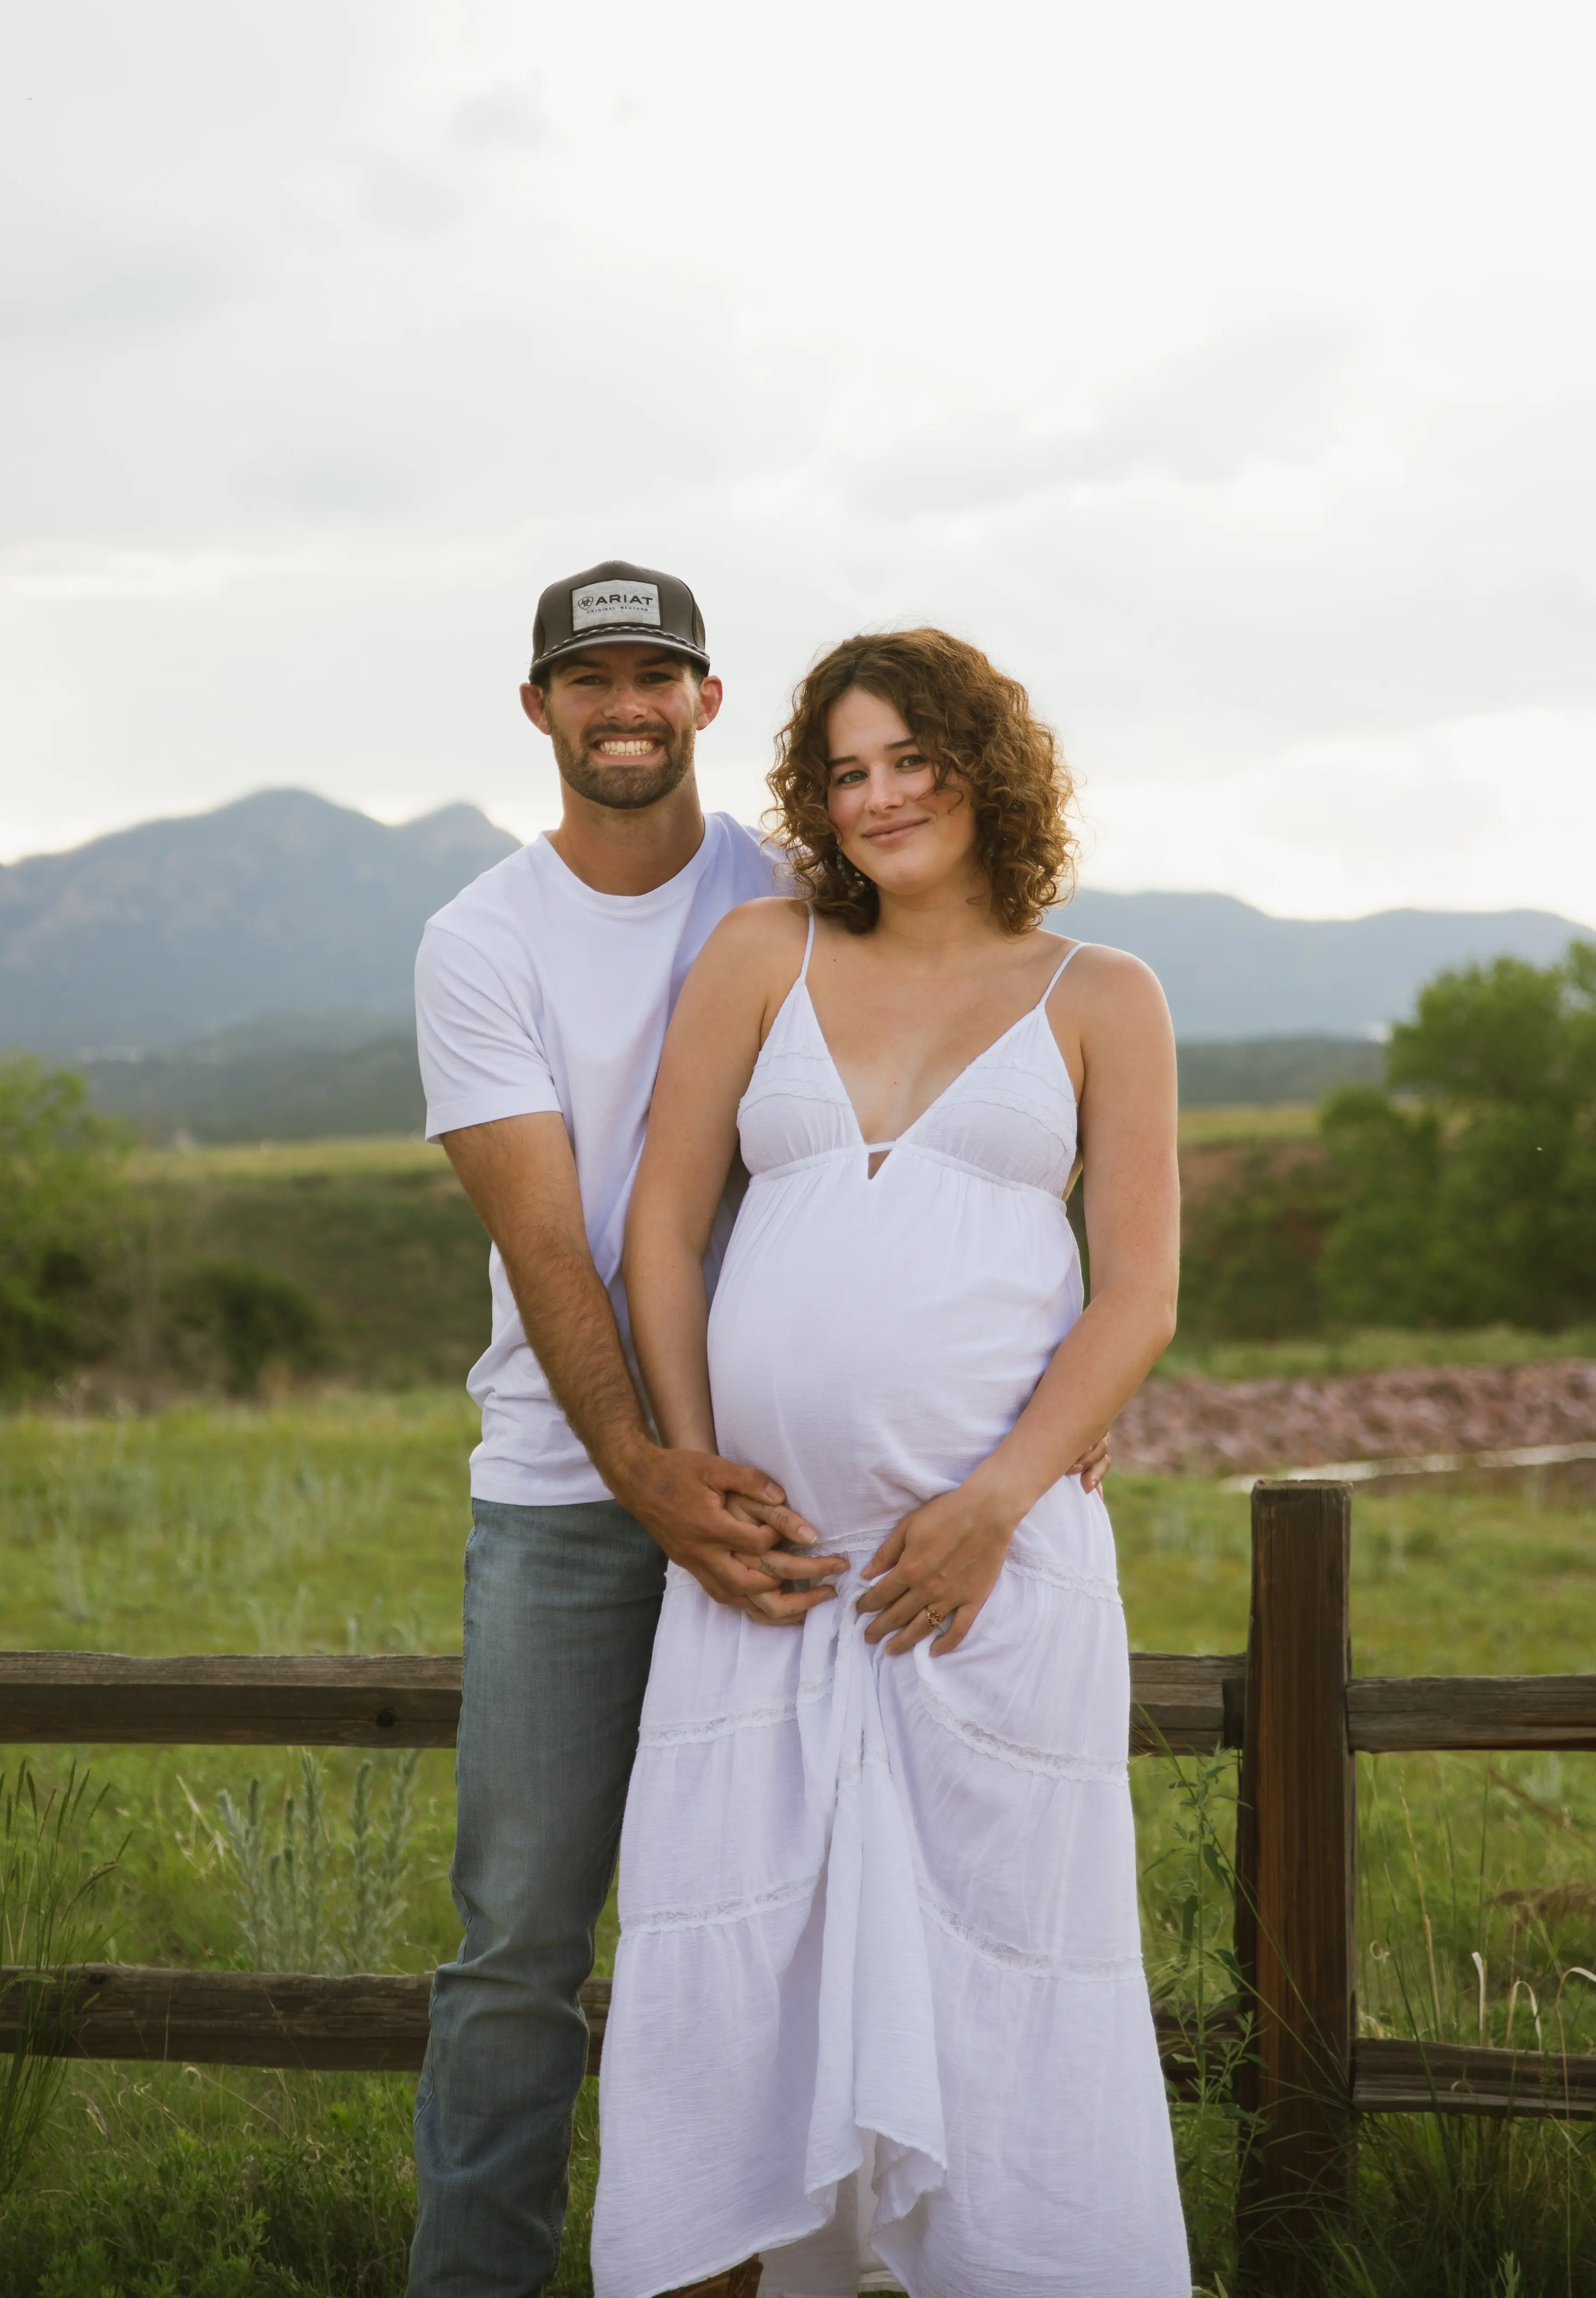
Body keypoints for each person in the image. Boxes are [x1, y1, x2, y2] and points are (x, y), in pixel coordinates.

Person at [592, 628, 1192, 2298]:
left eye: (913, 759)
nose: (880, 798)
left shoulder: (1103, 996)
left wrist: (996, 1505)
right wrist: (693, 1478)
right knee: (727, 1985)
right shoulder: (762, 954)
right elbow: (661, 1228)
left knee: (1002, 1982)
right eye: (847, 772)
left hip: (984, 1586)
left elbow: (1138, 1297)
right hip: (767, 1576)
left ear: (987, 768)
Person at [406, 559, 850, 2298]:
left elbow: (940, 1097)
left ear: (705, 700)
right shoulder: (483, 941)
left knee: (784, 1919)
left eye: (653, 676)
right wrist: (645, 1474)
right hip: (566, 1493)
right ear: (538, 708)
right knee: (520, 1945)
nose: (623, 709)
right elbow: (548, 1246)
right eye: (587, 681)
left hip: (795, 1480)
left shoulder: (800, 891)